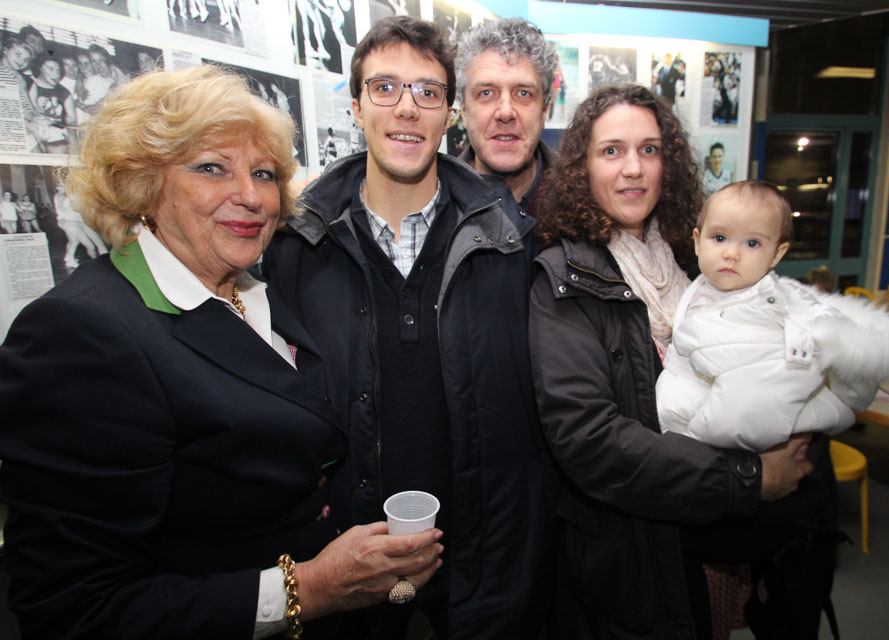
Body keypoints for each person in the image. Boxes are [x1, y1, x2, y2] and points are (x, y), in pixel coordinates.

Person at [0, 65, 443, 640]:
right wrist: (310, 588)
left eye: (263, 173)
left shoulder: (252, 292)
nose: (251, 196)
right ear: (143, 184)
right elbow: (73, 610)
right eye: (212, 168)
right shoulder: (80, 332)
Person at [262, 16, 552, 640]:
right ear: (356, 104)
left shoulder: (511, 245)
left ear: (449, 114)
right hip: (347, 566)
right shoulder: (296, 246)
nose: (406, 108)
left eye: (427, 91)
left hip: (485, 570)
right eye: (385, 87)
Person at [528, 84, 823, 640]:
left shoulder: (698, 262)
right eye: (611, 151)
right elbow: (590, 441)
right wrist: (748, 478)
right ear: (583, 168)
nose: (633, 168)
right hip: (632, 556)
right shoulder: (563, 280)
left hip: (717, 540)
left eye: (650, 149)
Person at [656, 180, 889, 452]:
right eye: (719, 238)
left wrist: (692, 446)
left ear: (777, 254)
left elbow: (747, 410)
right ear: (698, 242)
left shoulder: (770, 319)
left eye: (752, 243)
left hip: (708, 443)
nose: (731, 254)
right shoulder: (701, 289)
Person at [456, 17, 557, 233]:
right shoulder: (432, 204)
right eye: (486, 93)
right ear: (464, 110)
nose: (505, 112)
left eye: (523, 93)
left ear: (544, 110)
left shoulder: (588, 203)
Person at [53, 182, 108, 270]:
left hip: (81, 221)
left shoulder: (74, 194)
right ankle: (96, 264)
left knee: (76, 241)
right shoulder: (61, 196)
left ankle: (69, 258)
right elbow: (61, 209)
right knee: (84, 244)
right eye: (60, 186)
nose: (64, 187)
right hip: (71, 222)